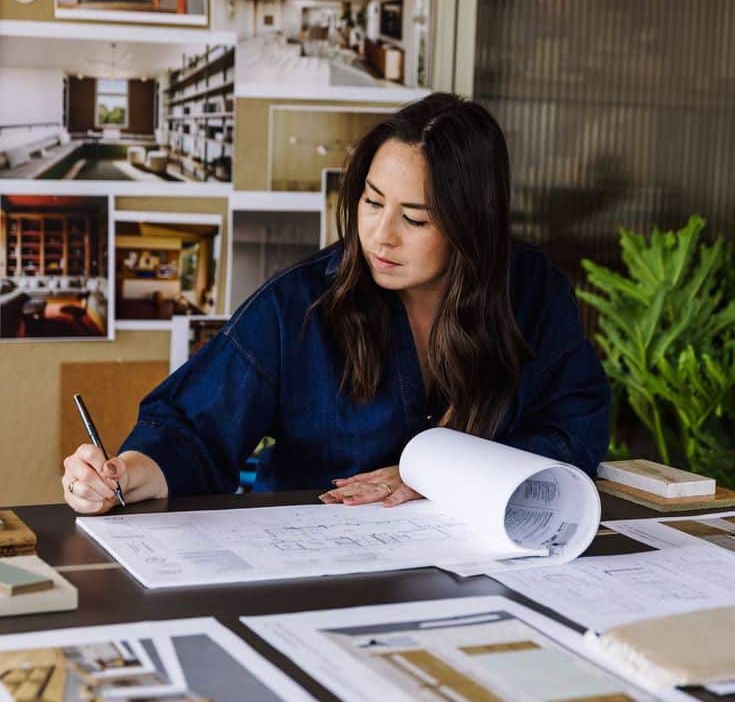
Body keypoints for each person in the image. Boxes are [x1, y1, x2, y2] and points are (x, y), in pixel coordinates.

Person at [62, 93, 611, 515]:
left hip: (481, 560)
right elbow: (193, 433)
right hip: (318, 563)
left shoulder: (532, 290)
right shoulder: (299, 303)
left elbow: (574, 427)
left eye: (415, 219)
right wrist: (120, 476)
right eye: (372, 202)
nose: (380, 235)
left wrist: (439, 473)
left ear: (475, 223)